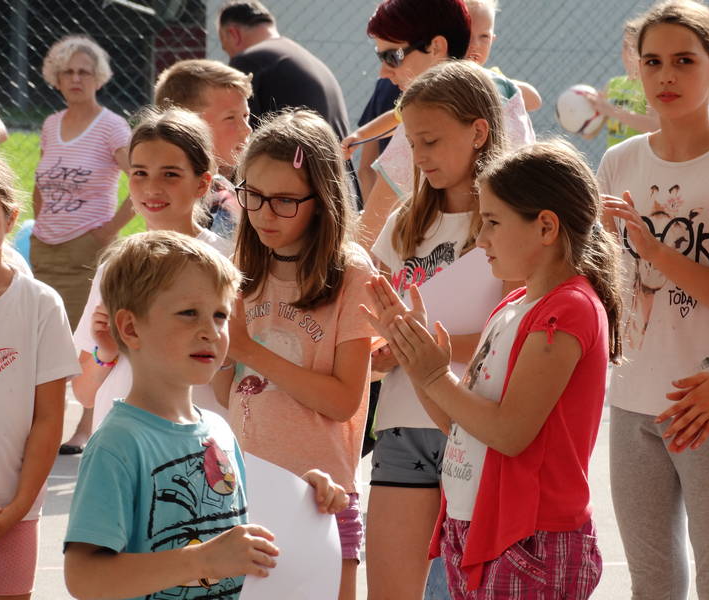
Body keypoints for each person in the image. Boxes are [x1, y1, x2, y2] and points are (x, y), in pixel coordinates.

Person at [363, 139, 619, 598]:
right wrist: (415, 356)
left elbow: (509, 432)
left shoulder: (570, 309)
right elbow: (459, 424)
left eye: (493, 223)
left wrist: (435, 374)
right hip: (479, 528)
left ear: (546, 227)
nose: (481, 239)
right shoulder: (513, 304)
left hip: (531, 539)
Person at [597, 1, 709, 597]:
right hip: (631, 401)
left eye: (683, 61)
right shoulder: (618, 161)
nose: (666, 75)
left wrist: (657, 252)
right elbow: (607, 284)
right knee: (651, 579)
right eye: (652, 62)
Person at [63, 230, 347, 600]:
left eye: (220, 315)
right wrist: (200, 561)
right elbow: (83, 577)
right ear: (131, 328)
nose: (210, 331)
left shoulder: (218, 430)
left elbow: (237, 528)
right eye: (188, 313)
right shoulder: (118, 443)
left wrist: (301, 499)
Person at [362, 59, 511, 600]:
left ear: (479, 132)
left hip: (474, 423)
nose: (419, 156)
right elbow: (375, 312)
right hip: (401, 424)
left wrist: (420, 349)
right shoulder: (405, 220)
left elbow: (516, 328)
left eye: (430, 141)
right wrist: (383, 348)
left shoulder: (507, 219)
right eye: (411, 142)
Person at [220, 109, 375, 600]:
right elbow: (230, 394)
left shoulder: (352, 274)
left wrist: (247, 350)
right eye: (253, 195)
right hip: (245, 493)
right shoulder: (238, 268)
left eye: (285, 200)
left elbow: (342, 401)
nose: (265, 213)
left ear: (322, 201)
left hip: (322, 498)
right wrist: (218, 350)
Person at [71, 107, 232, 434]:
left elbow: (234, 387)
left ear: (202, 184)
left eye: (170, 174)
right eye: (140, 173)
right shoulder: (116, 266)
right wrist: (106, 351)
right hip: (120, 441)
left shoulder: (227, 262)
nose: (152, 188)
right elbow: (84, 392)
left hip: (194, 446)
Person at [352, 0, 536, 250]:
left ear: (436, 47)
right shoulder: (506, 90)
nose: (383, 72)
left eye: (393, 56)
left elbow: (369, 231)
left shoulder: (425, 114)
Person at [32, 34, 133, 455]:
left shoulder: (111, 127)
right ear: (56, 78)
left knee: (88, 339)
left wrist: (109, 231)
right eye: (68, 72)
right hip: (45, 249)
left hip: (86, 253)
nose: (76, 79)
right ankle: (44, 422)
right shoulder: (51, 124)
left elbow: (139, 178)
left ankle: (86, 426)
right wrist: (40, 220)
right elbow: (40, 181)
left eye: (84, 72)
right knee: (45, 341)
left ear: (99, 78)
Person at [0, 151, 81, 599]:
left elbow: (48, 418)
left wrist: (18, 506)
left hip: (13, 513)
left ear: (11, 218)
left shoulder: (41, 304)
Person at [217, 1, 349, 139]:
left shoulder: (247, 61)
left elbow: (238, 137)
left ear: (234, 34)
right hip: (331, 150)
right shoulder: (306, 59)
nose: (230, 58)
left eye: (225, 47)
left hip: (295, 151)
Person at [154, 58, 253, 241]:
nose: (247, 129)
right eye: (230, 118)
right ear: (187, 124)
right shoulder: (181, 196)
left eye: (246, 116)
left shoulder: (230, 190)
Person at [584, 20, 660, 147]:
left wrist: (613, 111)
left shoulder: (652, 85)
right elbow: (590, 134)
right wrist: (582, 112)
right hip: (615, 157)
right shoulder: (613, 84)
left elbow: (655, 127)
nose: (629, 52)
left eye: (633, 46)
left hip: (641, 156)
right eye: (625, 46)